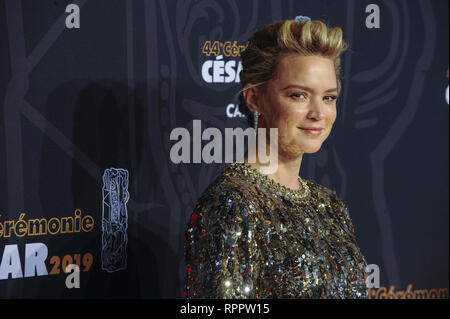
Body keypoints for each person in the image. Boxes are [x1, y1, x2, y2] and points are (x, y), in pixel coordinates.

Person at [184, 16, 368, 299]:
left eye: (329, 97)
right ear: (255, 99)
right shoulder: (232, 203)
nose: (318, 113)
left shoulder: (331, 206)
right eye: (299, 95)